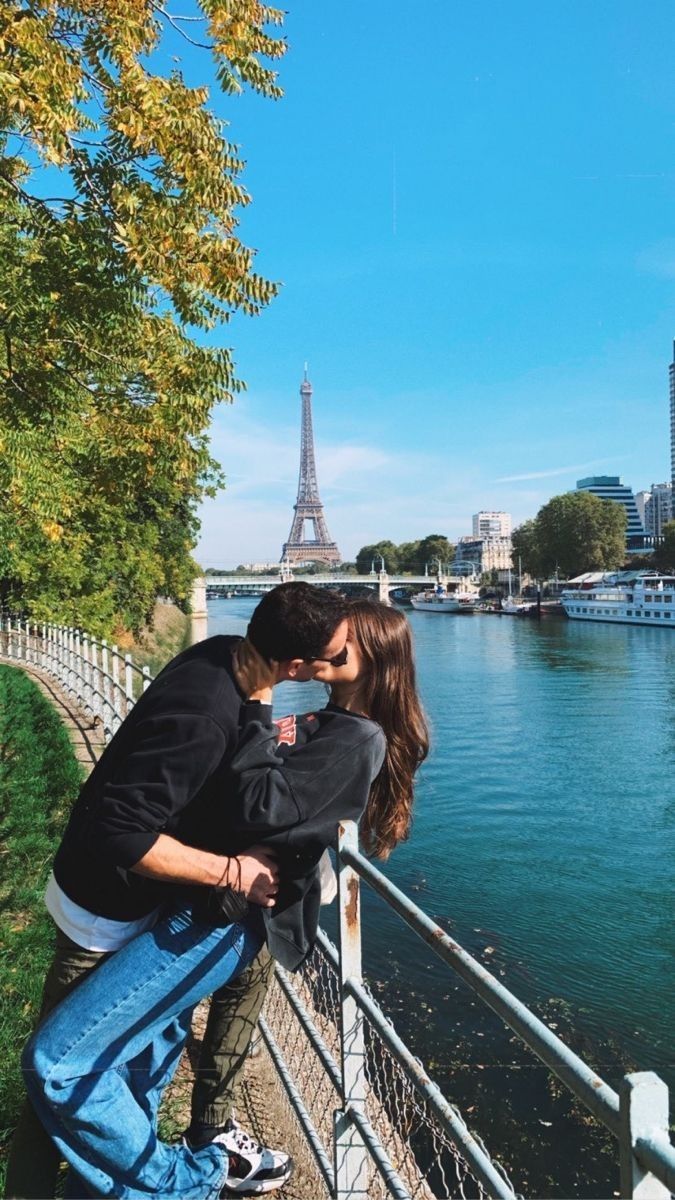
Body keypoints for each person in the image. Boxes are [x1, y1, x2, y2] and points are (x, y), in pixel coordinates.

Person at [22, 600, 429, 1199]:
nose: (327, 654)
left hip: (220, 917)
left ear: (376, 662)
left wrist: (262, 711)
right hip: (202, 906)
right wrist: (272, 731)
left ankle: (190, 1179)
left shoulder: (358, 736)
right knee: (137, 1067)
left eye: (343, 647)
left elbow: (260, 806)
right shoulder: (330, 724)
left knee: (64, 1064)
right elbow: (262, 794)